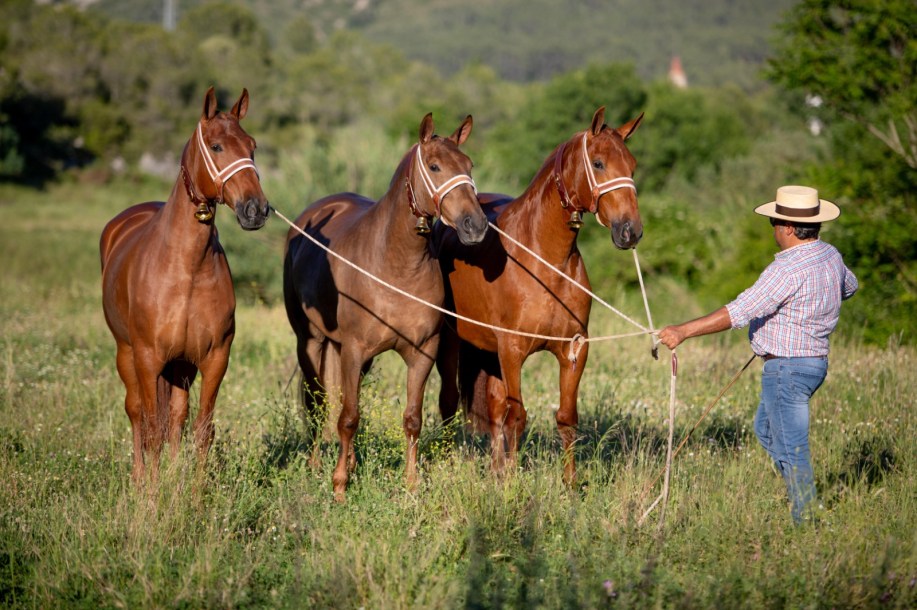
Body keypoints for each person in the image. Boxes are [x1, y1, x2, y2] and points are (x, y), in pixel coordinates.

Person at [657, 185, 858, 524]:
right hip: (814, 364)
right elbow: (849, 287)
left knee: (792, 447)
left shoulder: (787, 269)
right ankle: (800, 495)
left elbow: (739, 311)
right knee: (765, 430)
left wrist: (683, 331)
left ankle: (807, 518)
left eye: (774, 223)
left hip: (788, 369)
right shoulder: (830, 255)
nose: (773, 230)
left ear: (789, 228)